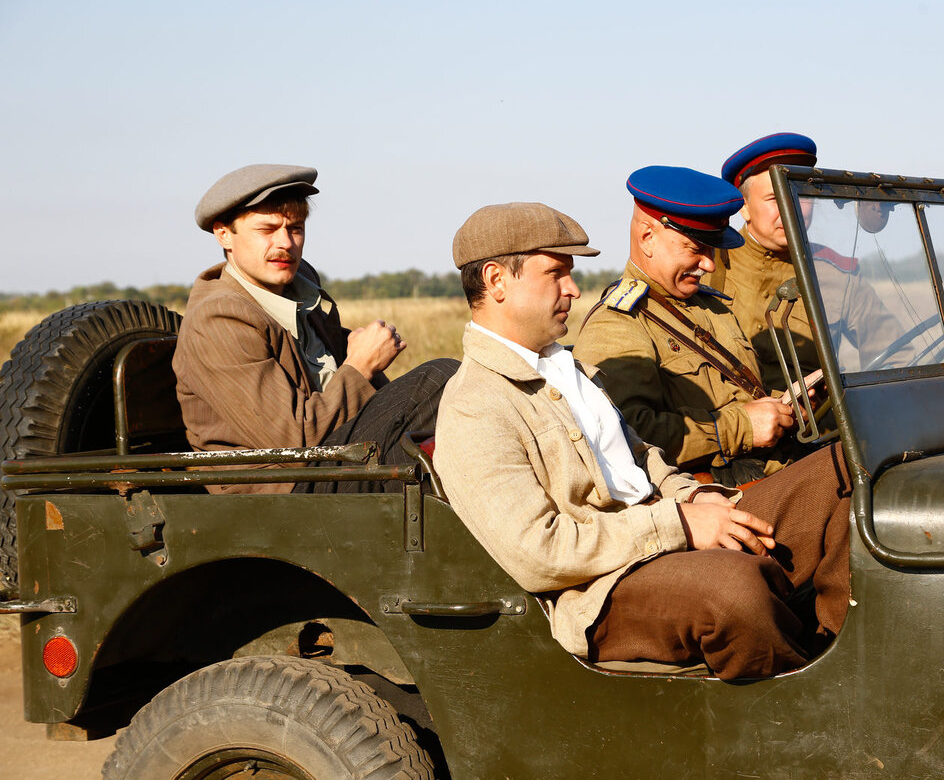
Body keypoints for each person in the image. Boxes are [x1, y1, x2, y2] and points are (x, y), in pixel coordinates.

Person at [433, 201, 851, 680]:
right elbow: (540, 554)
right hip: (603, 587)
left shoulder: (565, 368)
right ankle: (805, 705)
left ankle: (843, 657)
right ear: (496, 281)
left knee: (842, 471)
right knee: (737, 591)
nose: (573, 288)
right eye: (555, 273)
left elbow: (641, 458)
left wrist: (694, 497)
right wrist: (678, 523)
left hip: (666, 530)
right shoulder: (475, 405)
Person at [174, 164, 458, 493]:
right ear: (224, 234)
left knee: (455, 394)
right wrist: (360, 366)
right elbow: (294, 443)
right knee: (437, 379)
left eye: (295, 228)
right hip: (281, 489)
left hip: (334, 459)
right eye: (267, 229)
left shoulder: (299, 291)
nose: (285, 243)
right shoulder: (219, 319)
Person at [574, 165, 818, 483]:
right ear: (647, 238)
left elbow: (737, 394)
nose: (709, 264)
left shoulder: (713, 308)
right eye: (695, 248)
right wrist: (742, 428)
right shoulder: (617, 323)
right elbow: (624, 434)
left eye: (712, 249)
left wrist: (784, 406)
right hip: (717, 495)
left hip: (776, 469)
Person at [712, 133, 906, 386]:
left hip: (813, 411)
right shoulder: (707, 265)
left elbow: (898, 355)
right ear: (744, 207)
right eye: (774, 198)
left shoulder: (836, 274)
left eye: (800, 196)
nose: (791, 208)